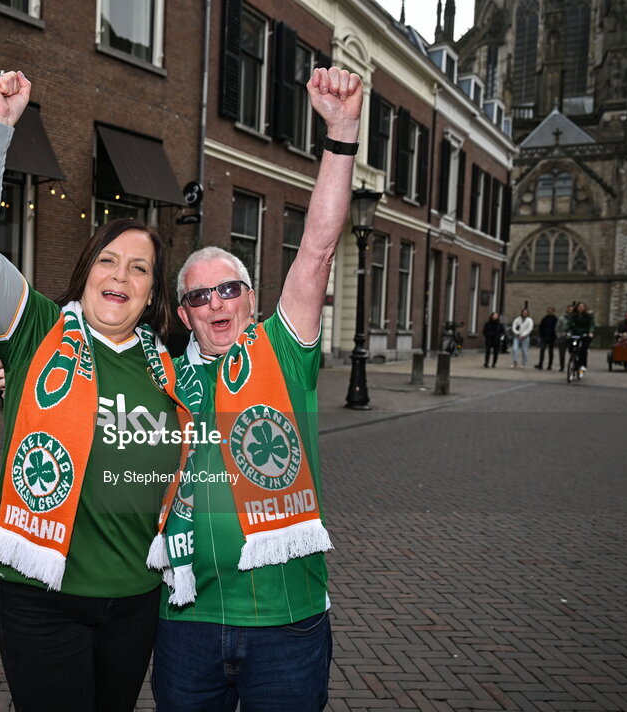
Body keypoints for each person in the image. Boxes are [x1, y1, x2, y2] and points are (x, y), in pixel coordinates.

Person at [0, 70, 189, 712]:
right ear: (86, 273)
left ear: (150, 292)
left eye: (139, 268)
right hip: (41, 597)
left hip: (138, 599)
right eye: (109, 260)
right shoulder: (37, 334)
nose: (122, 274)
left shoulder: (171, 368)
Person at [149, 66, 363, 712]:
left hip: (286, 622)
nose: (216, 303)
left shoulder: (279, 350)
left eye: (230, 289)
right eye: (199, 296)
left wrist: (342, 133)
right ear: (184, 315)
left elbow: (318, 250)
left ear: (251, 299)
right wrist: (11, 378)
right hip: (186, 620)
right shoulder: (160, 372)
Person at [568, 301, 596, 374]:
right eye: (579, 307)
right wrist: (567, 331)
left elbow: (592, 325)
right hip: (575, 334)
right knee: (571, 347)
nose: (581, 308)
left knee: (583, 349)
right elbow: (569, 324)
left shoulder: (589, 316)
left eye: (582, 307)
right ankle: (573, 358)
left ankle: (582, 364)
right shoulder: (573, 316)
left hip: (585, 334)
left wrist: (590, 332)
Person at [556, 304, 574, 371]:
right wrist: (559, 336)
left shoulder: (575, 318)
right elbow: (557, 328)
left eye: (572, 309)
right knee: (562, 353)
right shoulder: (561, 318)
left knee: (573, 352)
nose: (570, 311)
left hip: (572, 338)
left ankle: (573, 365)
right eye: (569, 309)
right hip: (563, 337)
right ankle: (562, 366)